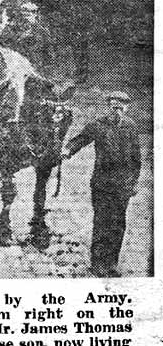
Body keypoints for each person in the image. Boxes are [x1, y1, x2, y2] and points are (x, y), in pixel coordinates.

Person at [62, 91, 142, 278]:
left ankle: (111, 264)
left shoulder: (130, 127)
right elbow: (81, 139)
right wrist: (68, 150)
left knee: (118, 224)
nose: (117, 111)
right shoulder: (97, 125)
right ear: (108, 107)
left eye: (121, 108)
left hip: (123, 186)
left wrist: (134, 182)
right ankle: (97, 264)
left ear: (126, 108)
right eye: (114, 107)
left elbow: (136, 159)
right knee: (101, 223)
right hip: (102, 184)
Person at [2, 1, 53, 74]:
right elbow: (7, 45)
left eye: (29, 15)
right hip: (17, 66)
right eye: (24, 15)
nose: (26, 18)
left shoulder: (42, 32)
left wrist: (45, 68)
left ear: (35, 14)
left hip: (36, 67)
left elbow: (48, 53)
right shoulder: (13, 29)